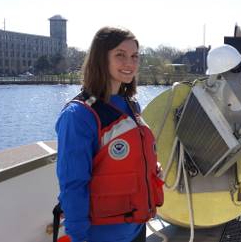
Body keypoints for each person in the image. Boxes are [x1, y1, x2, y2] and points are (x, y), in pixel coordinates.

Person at [55, 27, 163, 242]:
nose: (129, 63)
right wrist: (79, 238)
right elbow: (73, 184)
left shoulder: (131, 106)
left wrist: (151, 169)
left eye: (134, 56)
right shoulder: (79, 115)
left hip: (137, 228)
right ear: (100, 59)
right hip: (101, 235)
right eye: (120, 55)